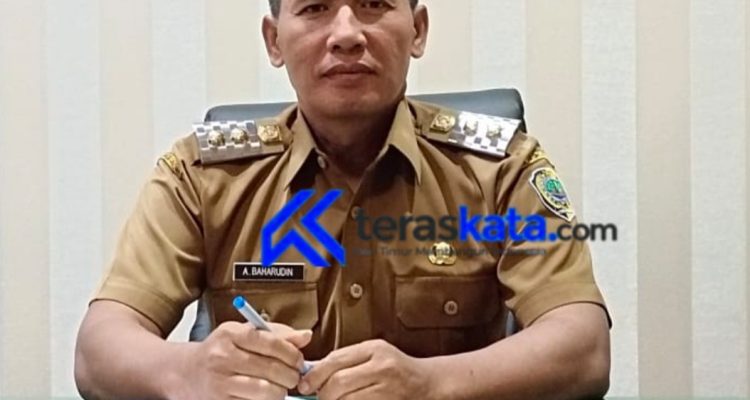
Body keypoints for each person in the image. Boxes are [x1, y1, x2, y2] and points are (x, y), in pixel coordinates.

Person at [74, 0, 611, 399]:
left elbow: (583, 347)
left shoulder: (501, 168)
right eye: (315, 8)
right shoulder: (203, 176)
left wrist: (429, 384)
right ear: (274, 41)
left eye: (374, 4)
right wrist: (187, 371)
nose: (347, 33)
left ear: (418, 30)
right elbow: (99, 349)